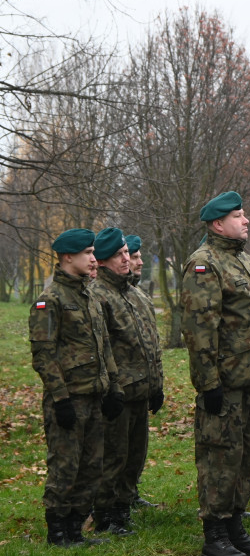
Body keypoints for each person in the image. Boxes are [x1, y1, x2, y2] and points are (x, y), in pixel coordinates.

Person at [181, 191, 250, 556]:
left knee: (245, 455)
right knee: (220, 457)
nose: (247, 221)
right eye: (239, 216)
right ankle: (215, 532)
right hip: (225, 382)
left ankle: (236, 526)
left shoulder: (249, 263)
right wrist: (208, 384)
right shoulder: (204, 264)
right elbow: (200, 328)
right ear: (218, 223)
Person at [30, 228, 122, 546]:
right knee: (65, 467)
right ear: (68, 256)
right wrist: (60, 399)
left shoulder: (90, 296)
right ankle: (57, 532)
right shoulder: (50, 299)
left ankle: (75, 529)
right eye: (87, 253)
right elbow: (44, 354)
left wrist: (113, 387)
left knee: (91, 466)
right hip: (69, 399)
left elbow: (103, 345)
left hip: (94, 395)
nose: (93, 259)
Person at [89, 228, 163, 536]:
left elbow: (150, 344)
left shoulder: (136, 294)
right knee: (113, 458)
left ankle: (122, 510)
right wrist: (110, 388)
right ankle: (105, 516)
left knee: (135, 455)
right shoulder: (98, 295)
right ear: (104, 261)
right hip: (118, 392)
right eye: (119, 255)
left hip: (141, 390)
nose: (126, 259)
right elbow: (99, 347)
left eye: (126, 254)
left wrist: (157, 384)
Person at [123, 234, 164, 508]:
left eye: (138, 257)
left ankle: (129, 493)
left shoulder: (139, 295)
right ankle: (113, 503)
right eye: (133, 257)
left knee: (137, 449)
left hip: (141, 384)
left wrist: (155, 384)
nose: (137, 262)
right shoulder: (107, 294)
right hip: (122, 385)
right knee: (118, 449)